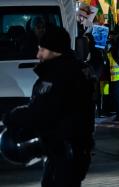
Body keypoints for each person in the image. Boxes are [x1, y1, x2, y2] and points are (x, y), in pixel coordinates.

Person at [4, 25, 96, 187]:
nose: (38, 54)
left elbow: (40, 112)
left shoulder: (60, 75)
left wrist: (12, 116)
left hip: (65, 150)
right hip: (67, 149)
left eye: (42, 50)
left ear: (56, 50)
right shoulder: (72, 70)